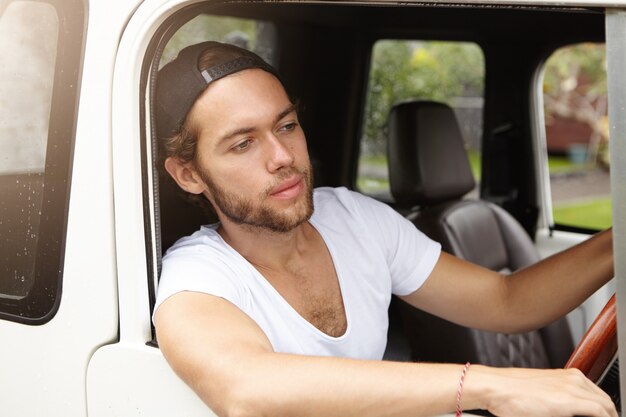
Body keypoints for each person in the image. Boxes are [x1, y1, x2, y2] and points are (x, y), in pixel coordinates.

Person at [153, 41, 616, 417]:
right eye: (242, 143)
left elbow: (506, 301)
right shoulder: (198, 277)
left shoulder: (354, 219)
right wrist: (489, 386)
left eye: (287, 125)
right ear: (189, 175)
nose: (283, 156)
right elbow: (247, 389)